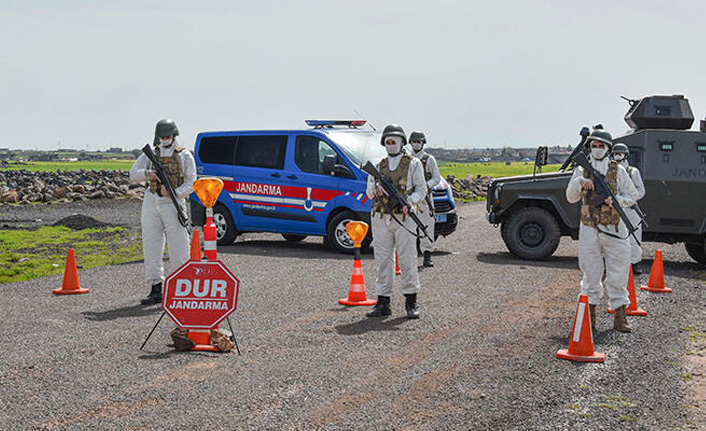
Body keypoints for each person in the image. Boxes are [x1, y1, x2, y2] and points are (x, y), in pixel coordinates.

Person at [565, 128, 638, 332]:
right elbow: (570, 197)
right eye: (594, 146)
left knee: (619, 272)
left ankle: (620, 315)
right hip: (589, 229)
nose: (597, 149)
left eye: (601, 146)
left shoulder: (618, 170)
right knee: (591, 272)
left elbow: (632, 195)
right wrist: (580, 183)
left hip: (614, 228)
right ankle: (589, 317)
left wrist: (616, 201)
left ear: (608, 148)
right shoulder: (581, 170)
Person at [129, 119, 197, 305]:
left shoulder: (184, 156)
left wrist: (174, 192)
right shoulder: (152, 154)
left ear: (174, 135)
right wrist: (148, 174)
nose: (165, 139)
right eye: (162, 136)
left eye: (168, 136)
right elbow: (133, 173)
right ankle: (156, 288)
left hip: (173, 203)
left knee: (179, 248)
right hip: (151, 201)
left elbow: (191, 183)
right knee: (151, 246)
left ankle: (182, 289)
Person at [365, 124, 427, 319]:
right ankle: (383, 302)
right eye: (388, 141)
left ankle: (411, 301)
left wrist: (411, 202)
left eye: (394, 141)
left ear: (402, 142)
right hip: (381, 217)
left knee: (408, 259)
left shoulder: (414, 164)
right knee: (383, 260)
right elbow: (368, 193)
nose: (390, 145)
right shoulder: (378, 166)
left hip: (404, 217)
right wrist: (376, 189)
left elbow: (421, 189)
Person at [612, 143, 646, 275]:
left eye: (620, 153)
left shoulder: (633, 172)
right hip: (615, 209)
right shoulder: (612, 171)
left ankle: (635, 263)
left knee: (634, 237)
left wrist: (626, 200)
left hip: (630, 209)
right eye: (615, 153)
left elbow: (640, 190)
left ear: (626, 155)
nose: (617, 156)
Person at [409, 131, 441, 267]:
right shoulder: (407, 158)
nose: (416, 144)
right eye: (414, 142)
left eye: (418, 142)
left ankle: (427, 255)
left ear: (423, 143)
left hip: (425, 198)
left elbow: (436, 178)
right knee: (408, 227)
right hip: (410, 196)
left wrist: (426, 186)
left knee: (426, 226)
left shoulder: (429, 159)